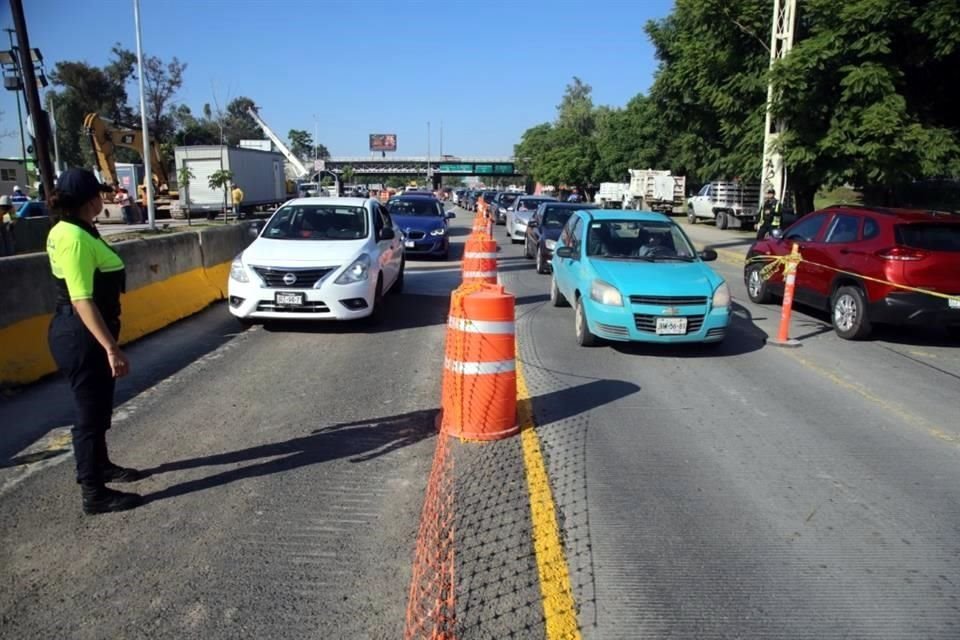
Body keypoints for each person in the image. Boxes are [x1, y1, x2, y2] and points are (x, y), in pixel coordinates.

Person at [45, 168, 144, 515]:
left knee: (100, 406)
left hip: (86, 330)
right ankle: (93, 492)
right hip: (82, 334)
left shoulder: (77, 229)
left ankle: (101, 466)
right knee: (88, 415)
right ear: (91, 200)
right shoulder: (72, 237)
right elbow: (81, 299)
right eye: (100, 194)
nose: (104, 198)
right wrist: (111, 348)